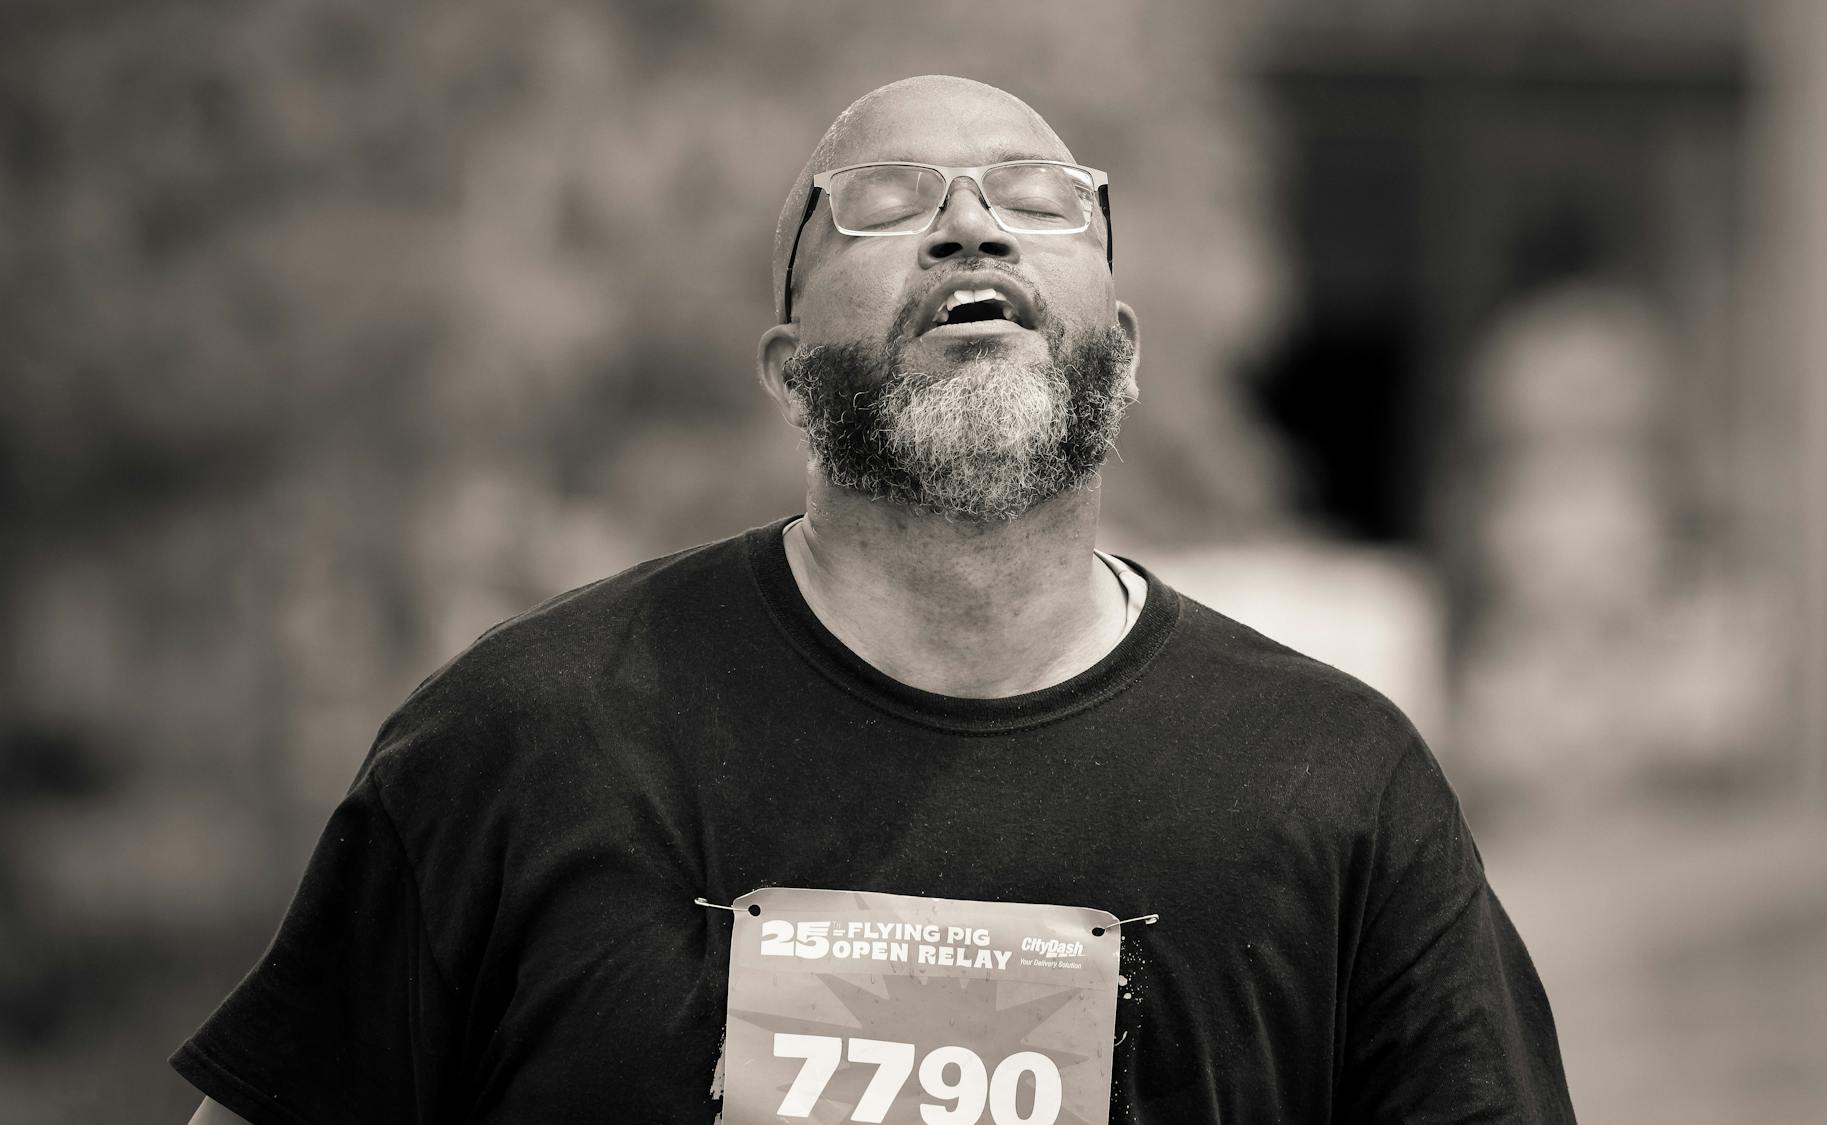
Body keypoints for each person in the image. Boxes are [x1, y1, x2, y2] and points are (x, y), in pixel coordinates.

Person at [176, 75, 1573, 1124]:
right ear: (790, 374)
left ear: (1126, 348)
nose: (970, 227)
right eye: (885, 206)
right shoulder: (522, 741)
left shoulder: (1336, 786)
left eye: (1038, 199)